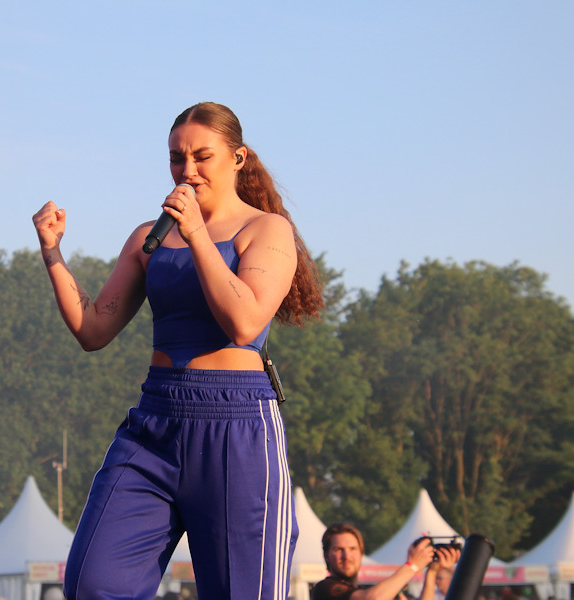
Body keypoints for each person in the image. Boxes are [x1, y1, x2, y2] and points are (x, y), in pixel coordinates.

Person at [32, 101, 324, 600]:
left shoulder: (267, 230)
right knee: (93, 583)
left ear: (237, 158)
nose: (187, 170)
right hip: (155, 422)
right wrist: (52, 252)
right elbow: (93, 329)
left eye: (202, 157)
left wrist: (197, 235)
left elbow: (244, 322)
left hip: (237, 426)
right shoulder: (149, 238)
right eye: (176, 158)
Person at [312, 523, 461, 600]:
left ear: (361, 553)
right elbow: (371, 599)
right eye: (339, 550)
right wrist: (413, 565)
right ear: (326, 555)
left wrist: (432, 572)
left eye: (353, 549)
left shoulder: (369, 590)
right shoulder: (325, 589)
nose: (347, 556)